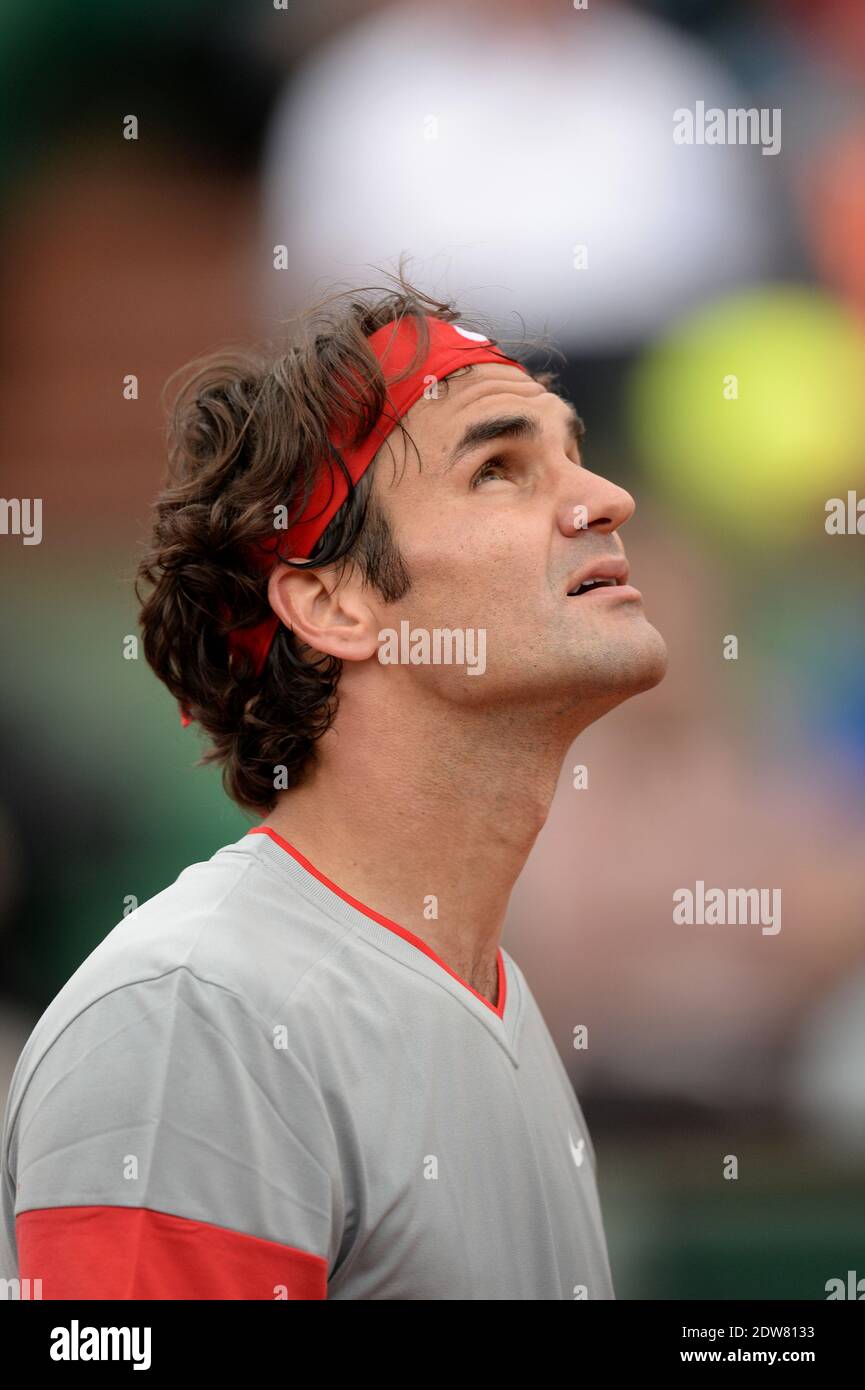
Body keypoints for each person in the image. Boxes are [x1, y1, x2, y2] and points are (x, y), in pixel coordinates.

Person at [0, 269, 666, 1299]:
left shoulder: (489, 998)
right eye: (499, 467)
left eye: (574, 453)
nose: (604, 498)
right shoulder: (194, 1016)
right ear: (334, 602)